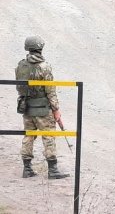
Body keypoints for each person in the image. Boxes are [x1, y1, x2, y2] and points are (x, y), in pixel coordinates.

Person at [15, 36, 70, 179]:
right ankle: (53, 170)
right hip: (43, 108)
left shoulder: (21, 65)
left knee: (28, 136)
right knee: (48, 136)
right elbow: (50, 90)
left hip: (26, 106)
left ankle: (27, 168)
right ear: (40, 48)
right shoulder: (44, 66)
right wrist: (56, 109)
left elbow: (19, 87)